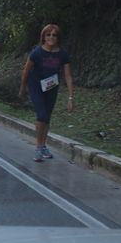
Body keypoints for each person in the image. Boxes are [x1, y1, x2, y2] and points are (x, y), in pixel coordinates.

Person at [19, 24, 74, 162]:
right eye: (48, 34)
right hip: (36, 86)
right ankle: (38, 147)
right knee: (41, 114)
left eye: (54, 35)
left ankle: (43, 146)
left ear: (58, 37)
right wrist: (23, 88)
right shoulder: (37, 52)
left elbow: (68, 75)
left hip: (52, 87)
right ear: (43, 37)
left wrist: (71, 96)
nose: (51, 37)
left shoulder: (62, 53)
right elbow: (26, 71)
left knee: (47, 117)